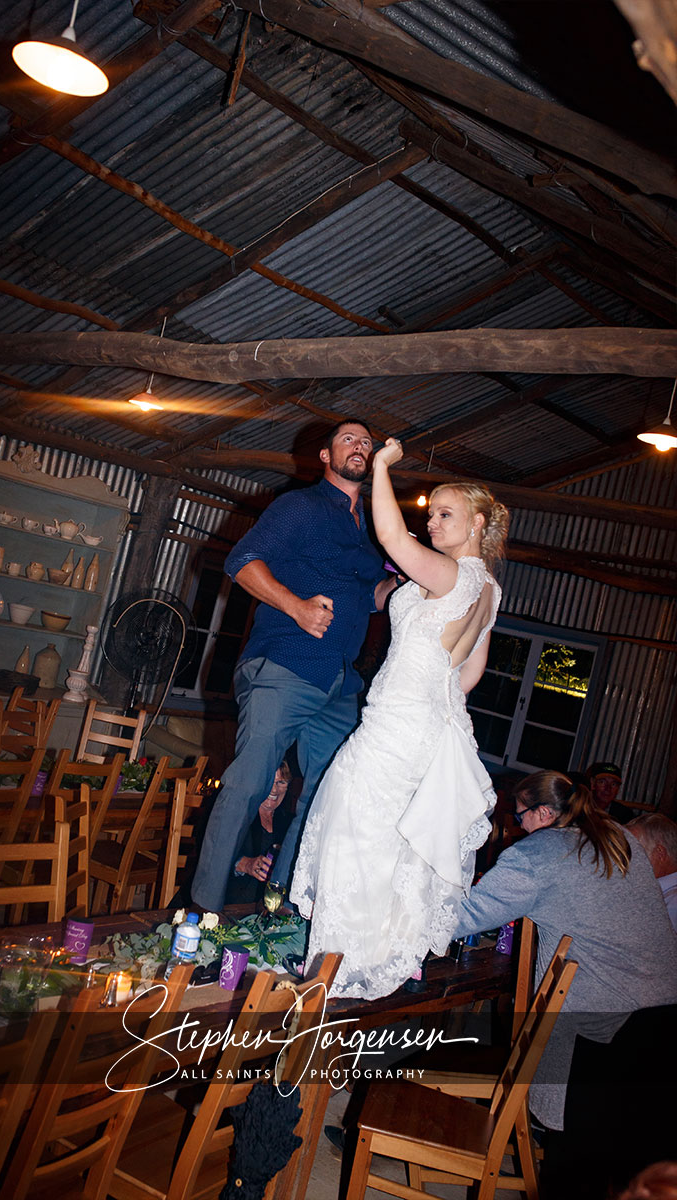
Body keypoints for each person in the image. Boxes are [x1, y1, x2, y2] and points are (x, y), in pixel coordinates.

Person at [291, 437, 509, 999]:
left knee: (356, 832)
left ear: (478, 522)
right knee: (382, 842)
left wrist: (384, 466)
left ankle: (330, 976)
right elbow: (469, 674)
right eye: (429, 513)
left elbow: (389, 535)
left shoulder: (456, 576)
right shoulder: (487, 586)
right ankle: (351, 967)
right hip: (423, 722)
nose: (430, 522)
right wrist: (425, 696)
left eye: (444, 513)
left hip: (399, 726)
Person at [191, 420, 398, 912]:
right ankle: (199, 916)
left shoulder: (368, 535)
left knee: (330, 793)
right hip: (286, 664)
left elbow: (371, 597)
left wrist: (407, 587)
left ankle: (277, 905)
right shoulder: (299, 507)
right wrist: (297, 606)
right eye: (349, 439)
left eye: (367, 442)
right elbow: (242, 561)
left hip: (339, 681)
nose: (361, 446)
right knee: (250, 784)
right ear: (325, 456)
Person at [453, 771, 677, 1197]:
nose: (518, 827)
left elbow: (462, 917)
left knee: (578, 1172)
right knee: (634, 1173)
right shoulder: (614, 836)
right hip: (665, 1019)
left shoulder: (540, 854)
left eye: (520, 817)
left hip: (608, 1033)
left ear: (542, 812)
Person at [226, 763, 293, 904]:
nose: (274, 789)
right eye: (268, 781)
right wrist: (243, 864)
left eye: (281, 782)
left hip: (267, 908)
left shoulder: (289, 822)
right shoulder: (236, 812)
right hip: (226, 904)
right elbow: (209, 852)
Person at [628, 812, 677, 932]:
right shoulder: (653, 889)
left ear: (660, 854)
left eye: (632, 852)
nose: (625, 861)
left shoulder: (672, 905)